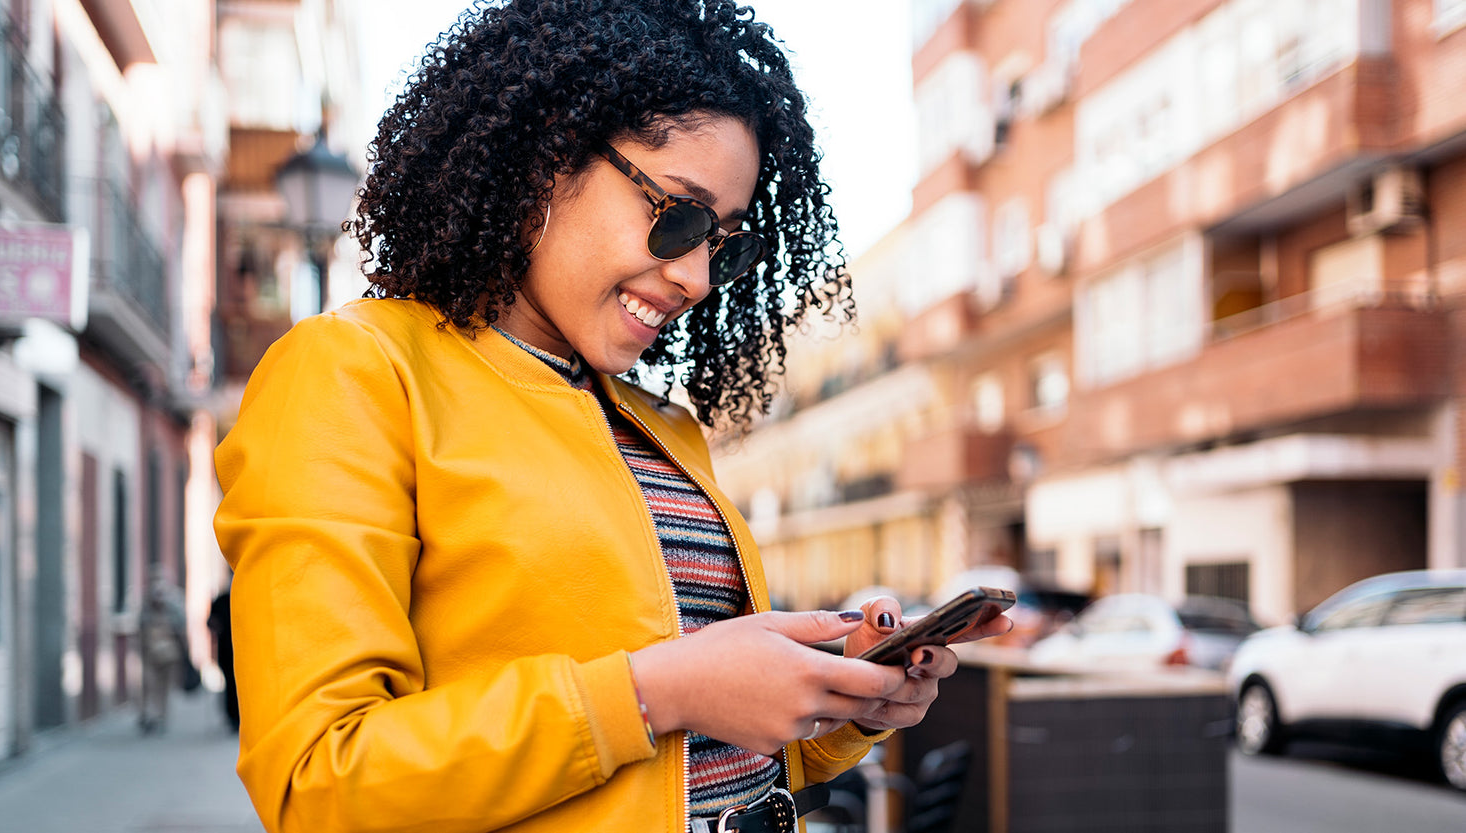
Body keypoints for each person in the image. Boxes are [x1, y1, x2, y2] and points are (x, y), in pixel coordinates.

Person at [212, 2, 1012, 831]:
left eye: (725, 241)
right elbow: (318, 779)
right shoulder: (355, 371)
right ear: (546, 154)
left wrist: (846, 700)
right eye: (679, 215)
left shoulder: (661, 426)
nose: (698, 276)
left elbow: (697, 757)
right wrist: (654, 689)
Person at [137, 578, 187, 734]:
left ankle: (161, 717)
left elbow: (180, 628)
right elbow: (140, 630)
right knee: (149, 685)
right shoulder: (146, 610)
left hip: (168, 655)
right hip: (150, 655)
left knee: (164, 688)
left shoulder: (172, 609)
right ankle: (148, 715)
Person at [206, 586, 239, 732]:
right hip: (230, 650)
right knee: (233, 685)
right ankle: (234, 716)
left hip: (229, 650)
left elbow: (210, 623)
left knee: (232, 685)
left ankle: (234, 716)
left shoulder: (221, 599)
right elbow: (211, 623)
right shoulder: (223, 600)